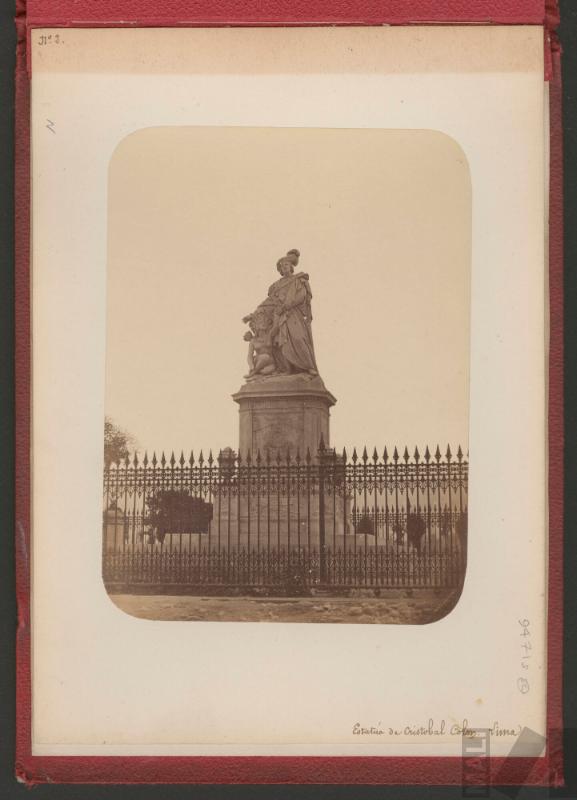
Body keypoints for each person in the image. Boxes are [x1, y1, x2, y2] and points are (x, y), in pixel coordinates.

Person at [266, 249, 318, 375]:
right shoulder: (276, 285)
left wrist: (286, 306)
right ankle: (286, 369)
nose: (284, 267)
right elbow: (270, 300)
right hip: (279, 315)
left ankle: (308, 367)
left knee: (298, 338)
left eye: (286, 265)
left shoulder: (298, 280)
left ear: (291, 267)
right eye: (282, 266)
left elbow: (301, 295)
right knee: (280, 342)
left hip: (293, 314)